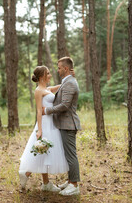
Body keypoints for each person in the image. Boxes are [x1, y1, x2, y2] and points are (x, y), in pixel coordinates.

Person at [19, 66, 69, 192]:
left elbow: (56, 87)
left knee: (46, 152)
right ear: (41, 77)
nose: (50, 75)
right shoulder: (38, 91)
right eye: (48, 73)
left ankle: (46, 183)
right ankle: (27, 173)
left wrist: (67, 79)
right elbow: (38, 111)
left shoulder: (46, 89)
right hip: (45, 124)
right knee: (43, 150)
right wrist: (39, 130)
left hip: (52, 122)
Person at [43, 56, 81, 196]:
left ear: (65, 68)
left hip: (68, 124)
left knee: (71, 155)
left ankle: (74, 185)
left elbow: (65, 105)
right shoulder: (67, 81)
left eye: (59, 68)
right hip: (64, 124)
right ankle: (71, 180)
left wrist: (47, 110)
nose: (57, 70)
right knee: (67, 154)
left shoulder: (70, 82)